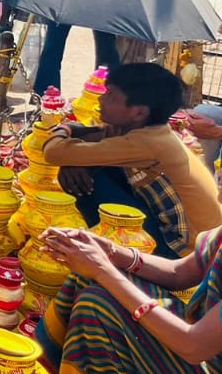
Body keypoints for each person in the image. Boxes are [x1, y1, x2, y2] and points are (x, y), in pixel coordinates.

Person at [36, 223, 222, 374]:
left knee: (98, 303)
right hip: (199, 354)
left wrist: (102, 269)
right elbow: (179, 273)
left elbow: (193, 346)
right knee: (86, 280)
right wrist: (110, 251)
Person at [44, 63, 222, 258]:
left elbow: (54, 152)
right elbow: (96, 139)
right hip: (199, 242)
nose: (101, 99)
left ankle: (109, 251)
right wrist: (76, 153)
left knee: (78, 174)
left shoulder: (148, 143)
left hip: (183, 252)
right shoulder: (151, 131)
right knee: (84, 165)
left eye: (111, 95)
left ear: (139, 113)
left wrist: (66, 129)